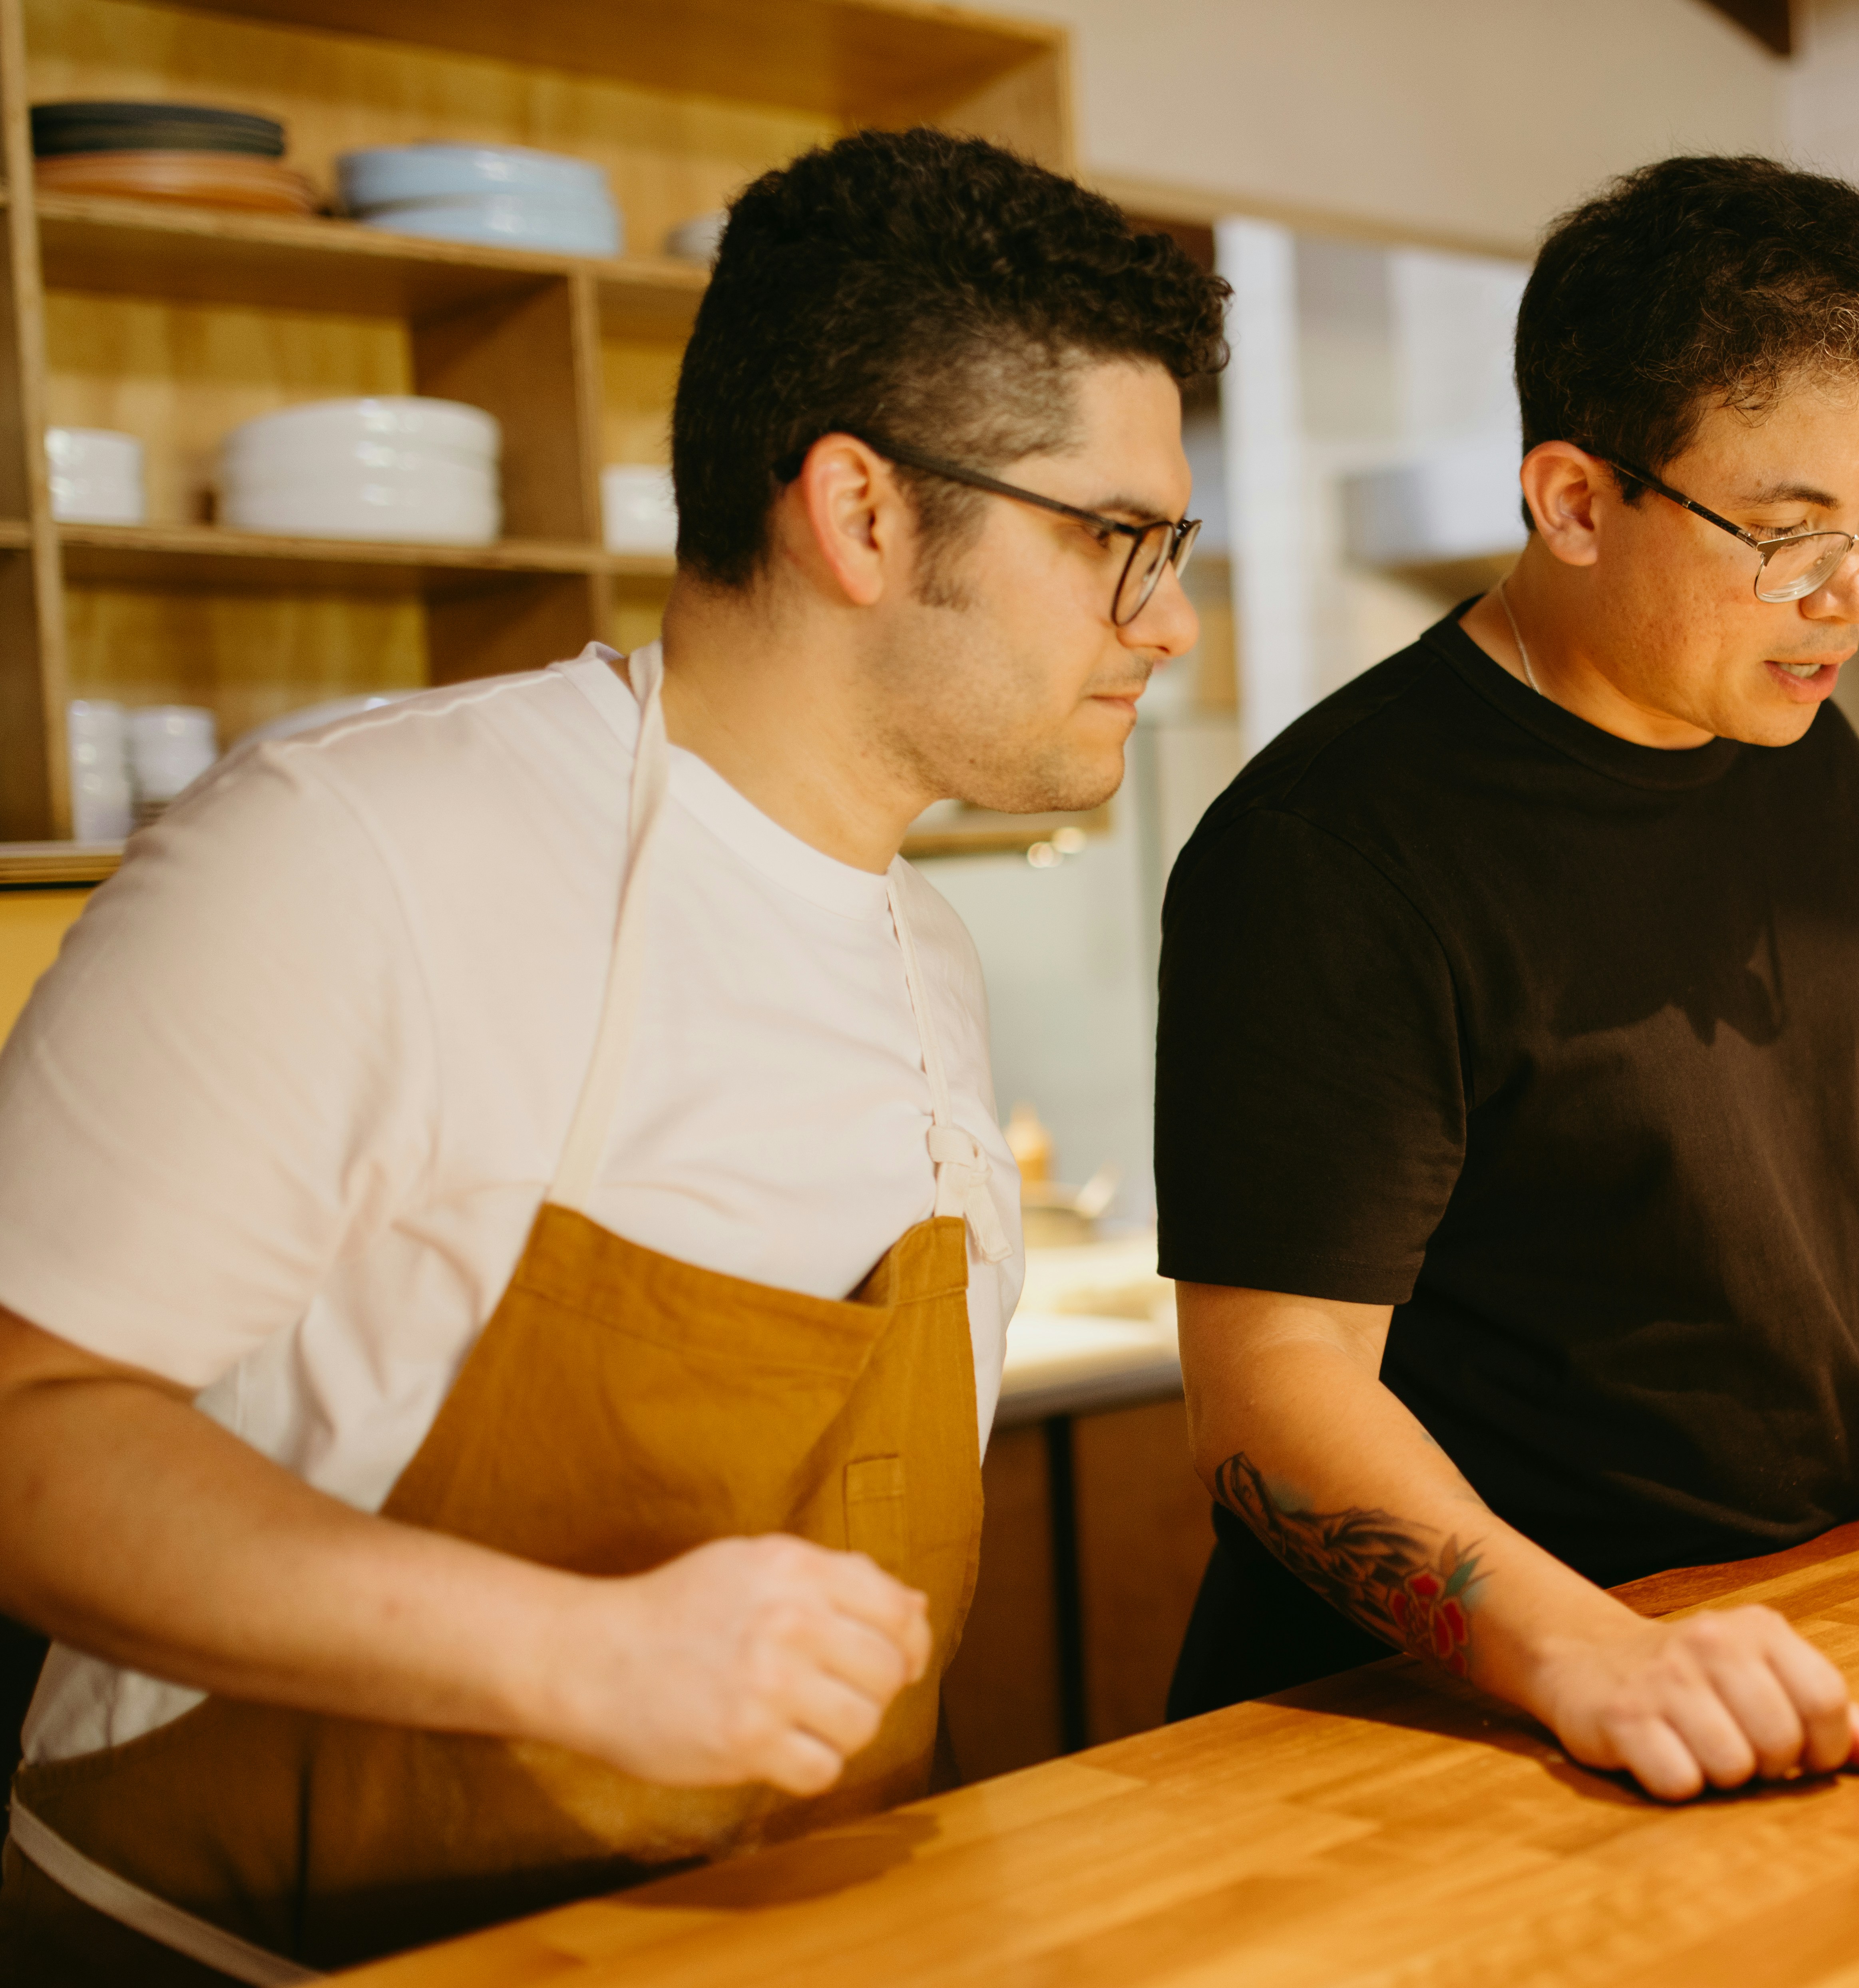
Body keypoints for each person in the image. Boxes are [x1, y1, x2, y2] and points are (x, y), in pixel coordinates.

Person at [0, 130, 1222, 1981]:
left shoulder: (927, 949)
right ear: (862, 511)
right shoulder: (355, 852)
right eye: (1114, 540)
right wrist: (577, 1658)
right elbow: (23, 1428)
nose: (1171, 619)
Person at [1151, 156, 1859, 1807]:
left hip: (1796, 1625)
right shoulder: (1333, 847)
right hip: (1460, 1716)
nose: (1855, 593)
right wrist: (1582, 1648)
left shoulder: (1801, 759)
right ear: (1574, 500)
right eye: (1790, 531)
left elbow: (1845, 1157)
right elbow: (1269, 1391)